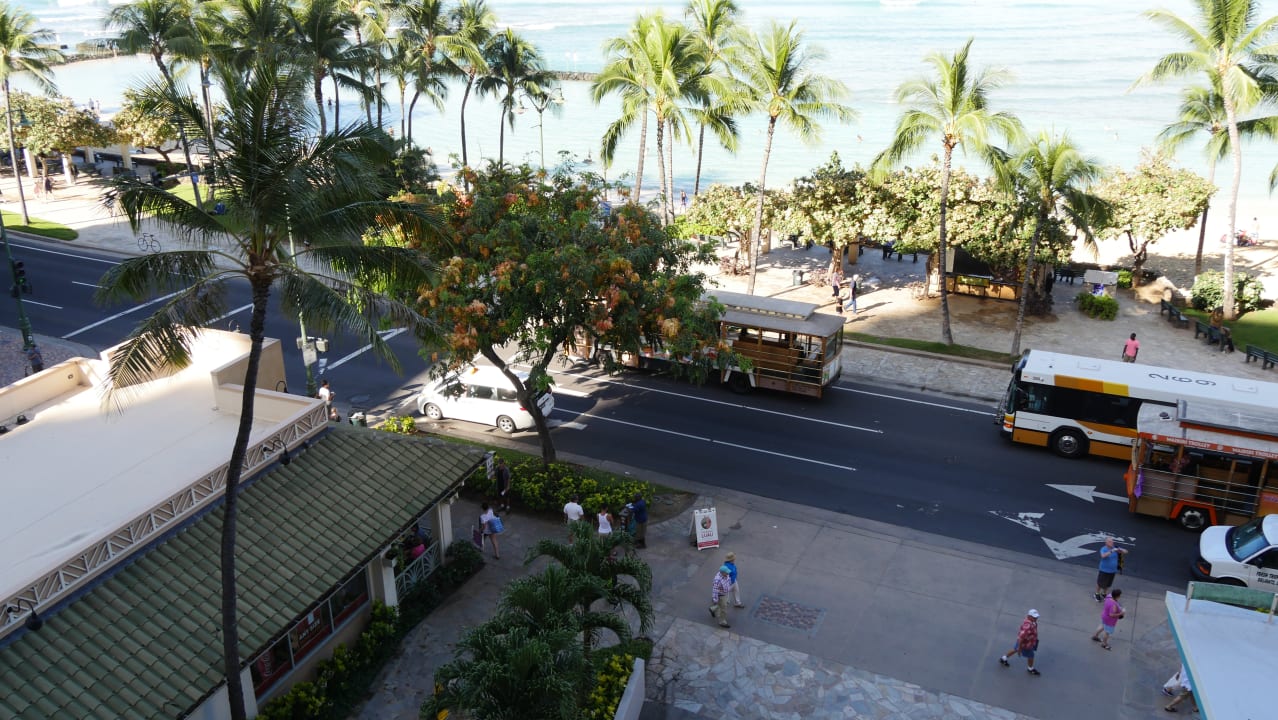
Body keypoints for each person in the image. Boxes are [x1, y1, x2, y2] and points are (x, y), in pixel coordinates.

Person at [999, 609, 1041, 675]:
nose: (1036, 618)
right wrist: (1020, 648)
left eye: (1036, 617)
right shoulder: (1027, 626)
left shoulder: (1032, 622)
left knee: (1015, 649)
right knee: (1031, 656)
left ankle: (1003, 658)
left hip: (1026, 642)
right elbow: (1021, 638)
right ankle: (1030, 669)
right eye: (1034, 617)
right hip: (1026, 644)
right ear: (1029, 616)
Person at [1095, 537, 1127, 602]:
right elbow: (1103, 556)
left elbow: (1126, 551)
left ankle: (1104, 593)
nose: (1112, 543)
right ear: (1106, 543)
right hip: (1104, 570)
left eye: (1112, 541)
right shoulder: (1103, 549)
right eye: (1110, 542)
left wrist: (1120, 550)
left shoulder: (1116, 548)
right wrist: (1112, 551)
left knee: (1108, 584)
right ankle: (1097, 593)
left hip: (1112, 570)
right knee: (1100, 583)